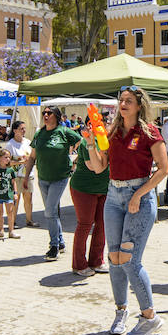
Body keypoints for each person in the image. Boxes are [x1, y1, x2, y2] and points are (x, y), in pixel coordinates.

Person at [83, 85, 168, 335]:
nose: (123, 104)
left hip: (138, 197)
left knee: (130, 260)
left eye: (128, 100)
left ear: (139, 105)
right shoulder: (111, 132)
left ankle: (150, 317)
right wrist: (89, 143)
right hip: (113, 196)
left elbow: (163, 170)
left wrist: (138, 195)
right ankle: (121, 311)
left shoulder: (149, 132)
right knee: (114, 258)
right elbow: (99, 167)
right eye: (121, 100)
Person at [24, 106, 83, 259]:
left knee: (49, 212)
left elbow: (81, 141)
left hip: (60, 177)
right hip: (43, 178)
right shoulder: (39, 133)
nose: (45, 115)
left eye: (49, 113)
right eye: (44, 112)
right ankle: (61, 242)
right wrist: (25, 177)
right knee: (52, 212)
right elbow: (32, 157)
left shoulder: (63, 131)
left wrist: (73, 157)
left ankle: (54, 246)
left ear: (56, 116)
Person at [69, 113, 110, 276]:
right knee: (85, 225)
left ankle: (96, 261)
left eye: (102, 123)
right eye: (92, 124)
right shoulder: (87, 144)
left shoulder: (106, 141)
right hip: (84, 189)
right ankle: (79, 264)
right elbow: (96, 167)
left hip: (103, 189)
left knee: (102, 225)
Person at [1, 122, 35, 226]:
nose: (23, 130)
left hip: (28, 174)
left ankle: (29, 220)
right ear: (15, 130)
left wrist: (29, 159)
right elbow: (7, 161)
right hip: (16, 176)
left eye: (24, 128)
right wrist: (20, 161)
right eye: (21, 128)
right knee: (16, 198)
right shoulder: (10, 144)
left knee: (28, 198)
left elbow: (33, 156)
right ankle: (12, 221)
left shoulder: (28, 142)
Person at [0, 148, 17, 239]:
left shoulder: (10, 170)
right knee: (0, 213)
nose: (8, 159)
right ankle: (0, 231)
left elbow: (14, 182)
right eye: (6, 157)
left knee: (10, 212)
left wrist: (15, 193)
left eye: (9, 157)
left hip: (8, 194)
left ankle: (11, 231)